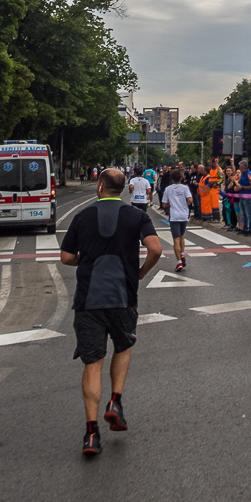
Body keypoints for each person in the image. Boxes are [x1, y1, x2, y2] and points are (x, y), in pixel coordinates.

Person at [59, 169, 161, 456]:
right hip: (123, 296)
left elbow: (66, 257)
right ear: (122, 189)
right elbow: (155, 248)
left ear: (100, 186)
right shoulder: (137, 216)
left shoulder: (82, 216)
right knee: (123, 345)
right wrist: (140, 272)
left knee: (93, 363)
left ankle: (91, 434)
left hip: (89, 300)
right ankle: (115, 401)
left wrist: (85, 259)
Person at [162, 169, 193, 272]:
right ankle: (182, 253)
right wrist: (185, 205)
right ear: (181, 178)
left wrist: (170, 204)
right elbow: (190, 199)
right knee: (182, 236)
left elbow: (164, 204)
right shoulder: (185, 188)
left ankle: (179, 261)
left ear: (171, 179)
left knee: (176, 238)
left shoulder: (168, 189)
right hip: (184, 214)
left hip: (174, 216)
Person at [237, 160, 251, 236]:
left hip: (247, 196)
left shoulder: (249, 174)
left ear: (242, 166)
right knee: (243, 213)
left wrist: (242, 187)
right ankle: (244, 228)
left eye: (240, 166)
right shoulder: (243, 174)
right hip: (241, 195)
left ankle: (250, 229)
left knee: (248, 213)